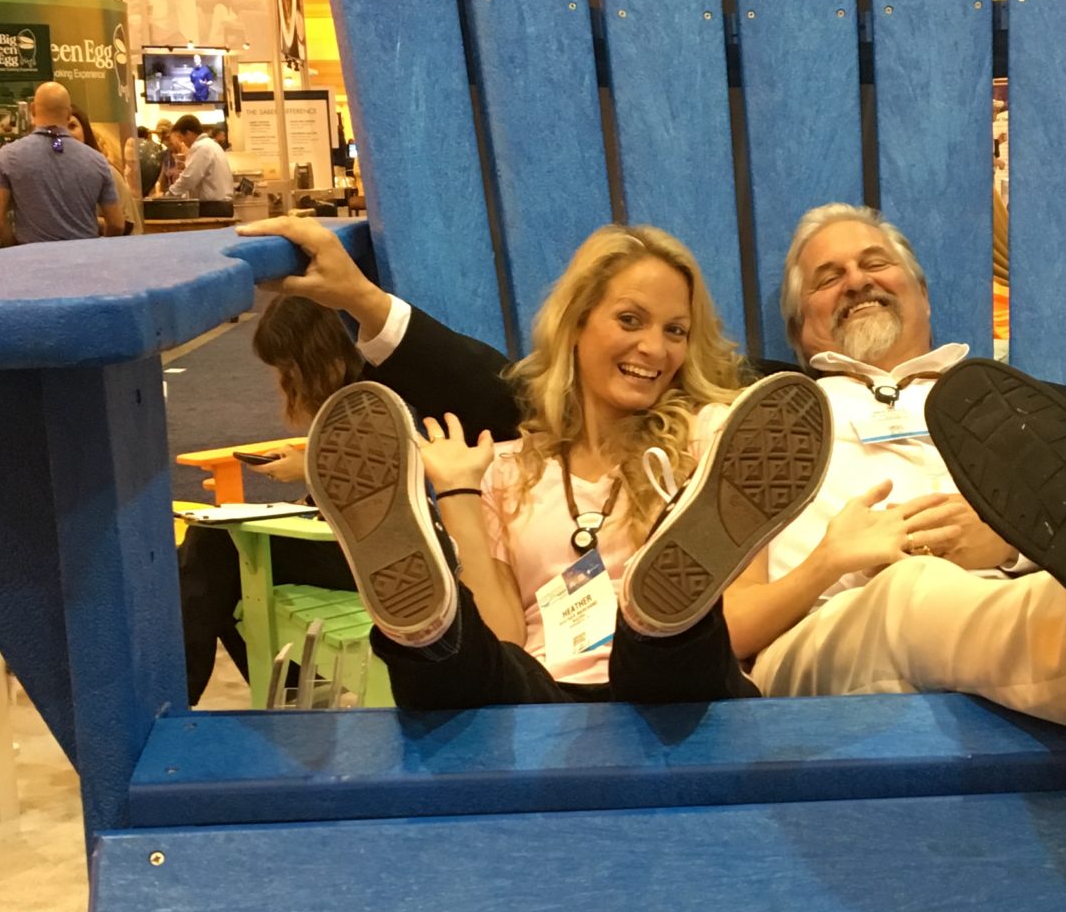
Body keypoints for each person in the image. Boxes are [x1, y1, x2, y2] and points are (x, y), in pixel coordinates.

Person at [248, 205, 1066, 781]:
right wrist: (371, 313)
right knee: (915, 598)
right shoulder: (756, 407)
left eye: (875, 263)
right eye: (825, 277)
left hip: (1025, 588)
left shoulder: (1029, 408)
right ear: (792, 322)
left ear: (926, 289)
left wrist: (1015, 523)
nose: (855, 281)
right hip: (838, 619)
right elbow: (540, 389)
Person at [302, 224, 832, 709]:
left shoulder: (716, 439)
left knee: (668, 649)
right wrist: (459, 495)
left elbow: (738, 619)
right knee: (471, 667)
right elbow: (505, 639)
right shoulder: (506, 467)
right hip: (545, 698)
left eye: (676, 331)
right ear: (576, 322)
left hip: (677, 698)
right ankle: (428, 633)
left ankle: (658, 622)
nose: (654, 348)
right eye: (630, 320)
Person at [178, 294, 375, 703]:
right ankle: (285, 692)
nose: (285, 380)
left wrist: (308, 468)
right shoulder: (349, 393)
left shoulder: (369, 397)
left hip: (367, 556)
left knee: (213, 550)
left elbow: (384, 482)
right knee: (217, 568)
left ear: (311, 356)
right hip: (344, 540)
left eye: (287, 366)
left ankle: (183, 691)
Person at [0, 82, 125, 244]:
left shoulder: (7, 157)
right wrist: (98, 247)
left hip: (32, 255)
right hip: (84, 255)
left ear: (33, 109)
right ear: (68, 114)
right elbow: (117, 224)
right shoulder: (97, 161)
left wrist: (14, 246)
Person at [164, 115, 233, 205]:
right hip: (220, 203)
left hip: (213, 205)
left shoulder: (201, 147)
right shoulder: (210, 144)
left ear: (188, 133)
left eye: (180, 137)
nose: (181, 141)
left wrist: (170, 193)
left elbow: (189, 178)